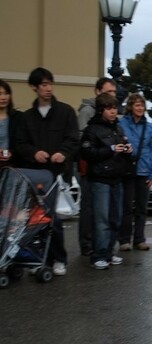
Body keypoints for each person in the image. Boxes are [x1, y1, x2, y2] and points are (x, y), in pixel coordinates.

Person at [14, 67, 79, 276]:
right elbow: (20, 144)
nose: (48, 88)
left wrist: (63, 153)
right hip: (34, 175)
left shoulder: (66, 112)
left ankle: (59, 259)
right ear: (34, 87)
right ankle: (40, 259)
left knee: (55, 220)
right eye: (43, 85)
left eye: (50, 84)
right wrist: (34, 153)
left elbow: (73, 139)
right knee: (35, 220)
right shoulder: (27, 117)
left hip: (57, 174)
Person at [80, 93, 132, 270]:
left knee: (115, 218)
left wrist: (127, 150)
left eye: (114, 108)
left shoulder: (118, 128)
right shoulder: (92, 129)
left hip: (117, 178)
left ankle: (109, 253)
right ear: (101, 110)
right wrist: (110, 149)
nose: (113, 112)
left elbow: (124, 153)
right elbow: (86, 153)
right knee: (101, 219)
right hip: (99, 179)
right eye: (109, 109)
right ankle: (98, 255)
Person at [77, 77, 118, 256]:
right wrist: (109, 149)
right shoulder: (88, 112)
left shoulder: (115, 123)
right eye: (109, 92)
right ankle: (89, 246)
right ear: (98, 92)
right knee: (91, 210)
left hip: (112, 173)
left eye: (114, 93)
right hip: (91, 170)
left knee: (109, 214)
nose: (112, 96)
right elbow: (84, 143)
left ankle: (104, 248)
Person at [118, 93, 152, 252]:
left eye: (142, 105)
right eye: (137, 105)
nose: (140, 108)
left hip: (144, 170)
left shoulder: (149, 127)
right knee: (127, 207)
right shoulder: (122, 124)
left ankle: (139, 239)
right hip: (127, 170)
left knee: (142, 208)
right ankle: (124, 239)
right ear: (131, 106)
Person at [0, 79, 22, 167]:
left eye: (6, 93)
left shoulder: (17, 117)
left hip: (10, 165)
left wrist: (7, 153)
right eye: (0, 94)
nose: (3, 97)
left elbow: (21, 143)